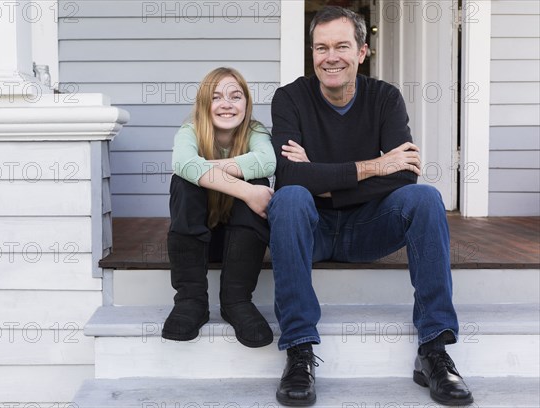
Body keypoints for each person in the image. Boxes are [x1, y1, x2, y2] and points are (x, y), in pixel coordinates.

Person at [267, 6, 474, 406]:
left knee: (425, 198)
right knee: (291, 199)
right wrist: (375, 165)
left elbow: (404, 175)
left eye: (342, 46)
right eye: (321, 47)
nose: (331, 57)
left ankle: (434, 349)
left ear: (362, 52)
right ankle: (299, 349)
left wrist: (324, 179)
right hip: (312, 231)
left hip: (369, 228)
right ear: (311, 53)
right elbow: (291, 177)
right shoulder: (290, 98)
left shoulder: (385, 99)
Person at [162, 67, 276, 348]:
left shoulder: (255, 131)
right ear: (204, 104)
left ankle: (236, 301)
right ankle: (191, 300)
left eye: (236, 96)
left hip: (240, 241)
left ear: (246, 104)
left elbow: (267, 162)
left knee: (256, 176)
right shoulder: (189, 131)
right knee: (184, 183)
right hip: (201, 238)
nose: (227, 104)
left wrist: (202, 168)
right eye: (217, 97)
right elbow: (183, 166)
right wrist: (248, 192)